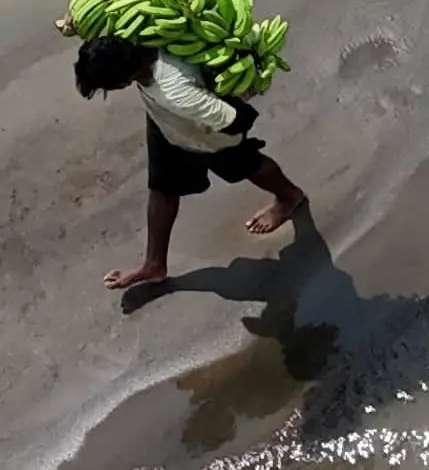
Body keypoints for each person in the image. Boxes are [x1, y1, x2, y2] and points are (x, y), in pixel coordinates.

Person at [74, 25, 311, 292]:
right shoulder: (139, 34)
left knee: (248, 164)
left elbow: (235, 120)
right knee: (162, 189)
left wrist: (238, 93)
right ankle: (153, 266)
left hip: (205, 134)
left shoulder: (177, 92)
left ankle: (289, 196)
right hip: (165, 124)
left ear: (123, 80)